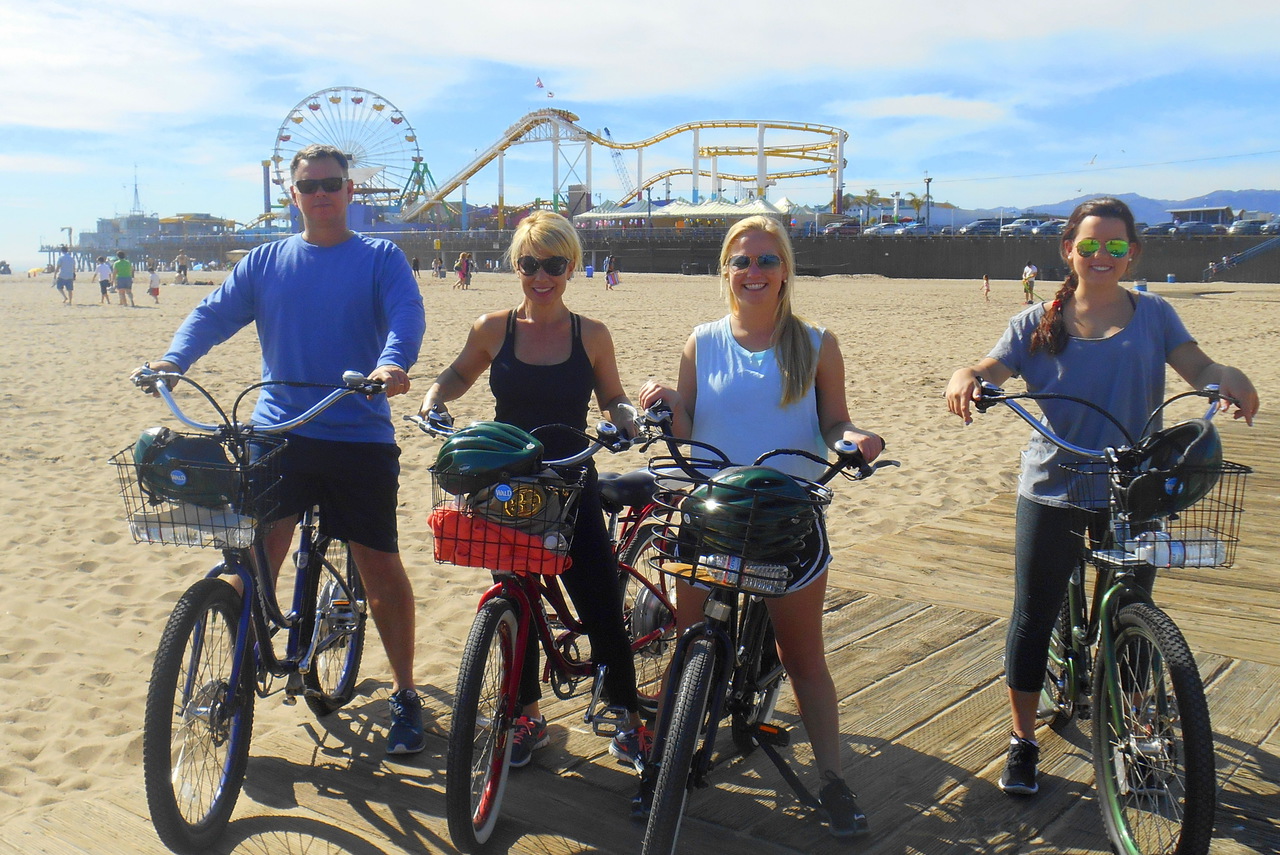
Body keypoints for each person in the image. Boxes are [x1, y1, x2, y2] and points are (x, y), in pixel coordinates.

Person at [945, 197, 1259, 796]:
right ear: (1069, 250)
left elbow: (1200, 368)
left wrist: (1230, 381)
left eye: (1116, 247)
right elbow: (988, 369)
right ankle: (1023, 739)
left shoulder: (1155, 314)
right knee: (1034, 616)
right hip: (1052, 489)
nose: (1102, 256)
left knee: (1132, 611)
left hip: (1131, 490)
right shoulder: (1033, 323)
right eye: (1089, 246)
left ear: (1132, 252)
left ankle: (1139, 733)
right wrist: (967, 378)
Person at [140, 143, 430, 755]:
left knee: (378, 566)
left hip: (357, 434)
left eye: (332, 184)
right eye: (310, 186)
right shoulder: (266, 261)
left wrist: (392, 365)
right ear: (292, 195)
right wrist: (173, 360)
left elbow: (406, 315)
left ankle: (405, 693)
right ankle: (235, 674)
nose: (321, 194)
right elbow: (214, 313)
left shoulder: (381, 258)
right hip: (279, 432)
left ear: (351, 191)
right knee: (257, 554)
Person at [637, 214, 883, 837]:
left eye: (766, 260)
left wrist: (854, 439)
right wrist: (666, 401)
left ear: (785, 271)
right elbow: (687, 428)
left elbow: (834, 423)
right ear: (726, 271)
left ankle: (832, 779)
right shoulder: (702, 341)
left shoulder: (816, 343)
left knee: (802, 658)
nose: (754, 271)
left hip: (786, 515)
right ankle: (663, 764)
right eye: (742, 261)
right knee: (690, 642)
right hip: (714, 510)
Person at [418, 210, 651, 771]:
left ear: (571, 266)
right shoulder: (492, 327)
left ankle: (628, 717)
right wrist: (432, 401)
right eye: (529, 264)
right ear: (515, 265)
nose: (541, 276)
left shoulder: (590, 334)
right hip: (507, 483)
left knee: (597, 599)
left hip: (570, 481)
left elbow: (613, 398)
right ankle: (525, 714)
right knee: (514, 601)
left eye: (553, 264)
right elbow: (454, 375)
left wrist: (624, 421)